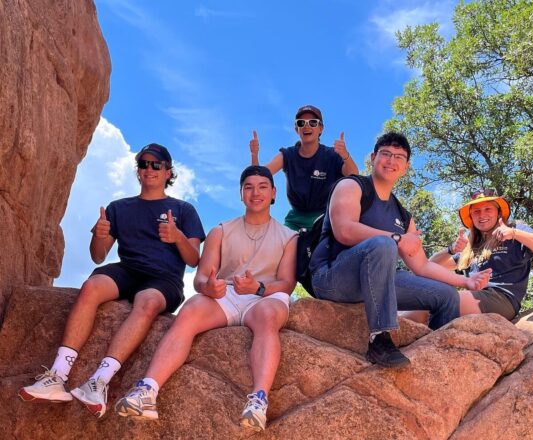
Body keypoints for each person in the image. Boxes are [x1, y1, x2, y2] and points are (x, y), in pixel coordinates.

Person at [19, 143, 206, 418]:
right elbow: (98, 256)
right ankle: (57, 376)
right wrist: (99, 234)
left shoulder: (183, 209)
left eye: (156, 165)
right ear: (138, 170)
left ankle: (99, 382)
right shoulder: (119, 208)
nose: (149, 169)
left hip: (163, 278)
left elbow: (193, 259)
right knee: (92, 286)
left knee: (147, 302)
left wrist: (177, 237)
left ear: (168, 172)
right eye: (143, 164)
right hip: (127, 269)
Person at [115, 165, 297, 433]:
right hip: (226, 294)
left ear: (273, 193)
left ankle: (258, 400)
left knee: (268, 319)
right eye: (248, 187)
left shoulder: (289, 236)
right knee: (189, 312)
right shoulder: (221, 231)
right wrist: (209, 288)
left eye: (262, 187)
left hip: (264, 297)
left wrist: (257, 287)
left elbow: (286, 283)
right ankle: (148, 390)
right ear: (241, 194)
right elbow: (200, 278)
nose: (255, 193)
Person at [308, 132, 492, 368]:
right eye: (385, 154)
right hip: (332, 277)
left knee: (446, 296)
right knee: (383, 244)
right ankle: (379, 339)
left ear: (405, 167)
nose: (391, 160)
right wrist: (396, 238)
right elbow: (344, 229)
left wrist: (467, 282)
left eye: (399, 157)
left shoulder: (403, 217)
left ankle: (436, 358)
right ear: (373, 158)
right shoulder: (351, 186)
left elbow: (422, 265)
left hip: (376, 282)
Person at [425, 189, 533, 320]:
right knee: (422, 302)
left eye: (488, 209)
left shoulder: (515, 228)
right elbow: (428, 267)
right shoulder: (470, 245)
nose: (482, 215)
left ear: (498, 212)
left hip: (503, 299)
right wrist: (451, 249)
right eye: (476, 211)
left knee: (442, 300)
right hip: (473, 296)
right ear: (471, 217)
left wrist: (514, 233)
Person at [250, 104, 359, 230]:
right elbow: (258, 177)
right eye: (301, 123)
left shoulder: (331, 155)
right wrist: (254, 155)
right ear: (297, 129)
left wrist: (345, 155)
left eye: (313, 122)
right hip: (295, 220)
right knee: (279, 245)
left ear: (321, 128)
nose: (306, 126)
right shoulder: (288, 155)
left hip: (325, 219)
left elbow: (353, 175)